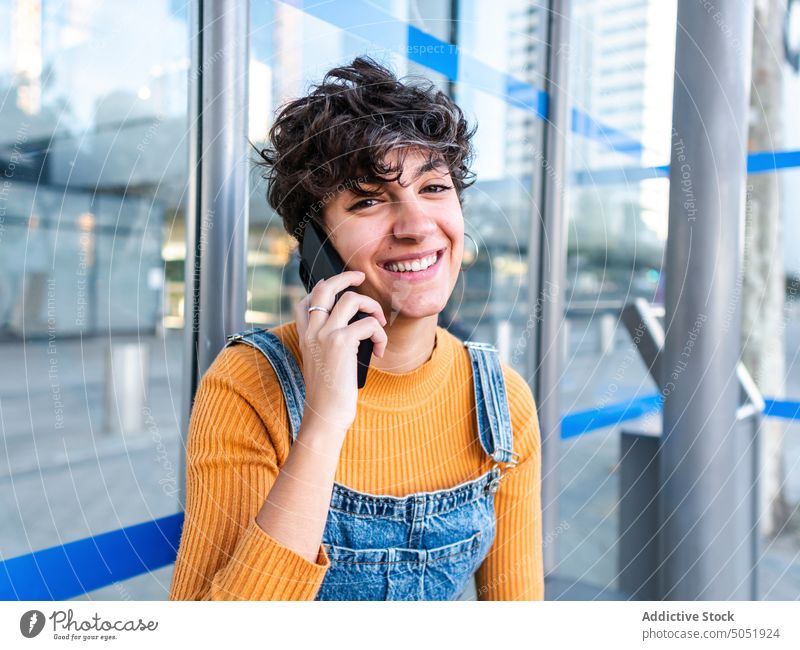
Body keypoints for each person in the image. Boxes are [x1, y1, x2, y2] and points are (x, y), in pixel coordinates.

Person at [169, 55, 543, 601]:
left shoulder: (502, 402)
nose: (417, 226)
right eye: (368, 200)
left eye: (434, 188)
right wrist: (322, 425)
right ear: (317, 247)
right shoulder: (248, 386)